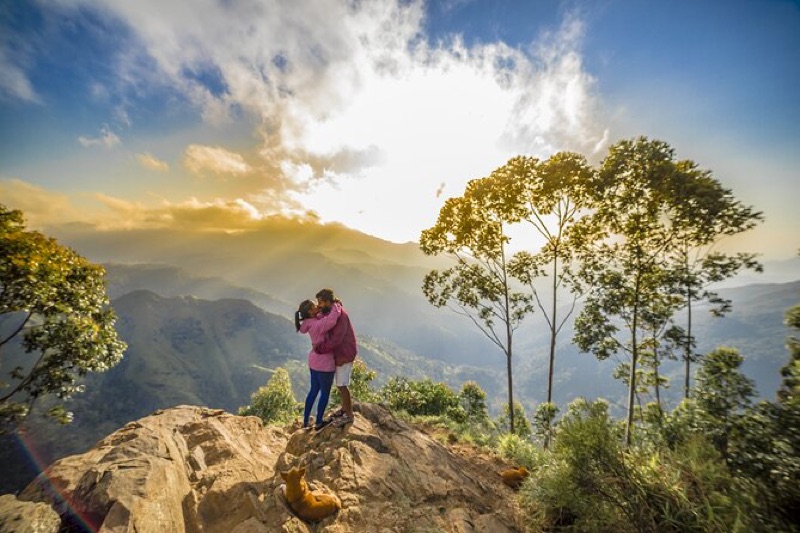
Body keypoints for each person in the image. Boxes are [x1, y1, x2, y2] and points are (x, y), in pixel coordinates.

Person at [295, 298, 342, 430]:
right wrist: (336, 305)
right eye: (314, 306)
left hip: (314, 361)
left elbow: (321, 316)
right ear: (310, 311)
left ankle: (305, 421)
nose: (317, 306)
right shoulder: (318, 325)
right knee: (325, 393)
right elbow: (331, 320)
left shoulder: (309, 322)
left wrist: (324, 308)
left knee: (313, 390)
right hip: (325, 362)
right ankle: (319, 421)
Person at [314, 288, 358, 428]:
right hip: (341, 353)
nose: (319, 305)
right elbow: (322, 314)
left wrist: (320, 348)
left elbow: (336, 339)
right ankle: (344, 409)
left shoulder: (340, 316)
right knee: (341, 384)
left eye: (321, 302)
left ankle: (349, 415)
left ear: (328, 301)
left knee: (342, 385)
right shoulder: (334, 310)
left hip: (345, 354)